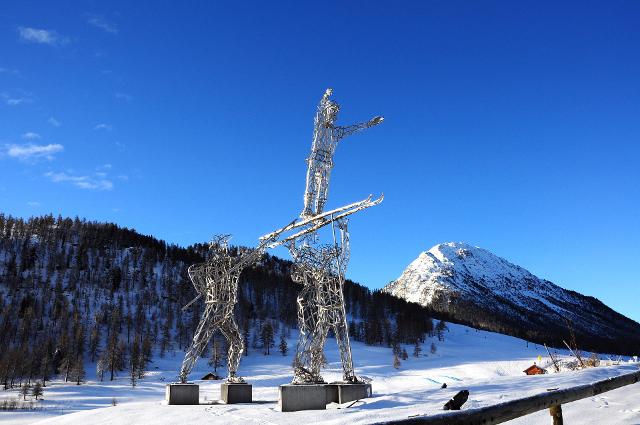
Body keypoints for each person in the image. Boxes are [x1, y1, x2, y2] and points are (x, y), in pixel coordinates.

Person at [301, 88, 383, 218]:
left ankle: (319, 213)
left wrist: (369, 124)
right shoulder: (320, 125)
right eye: (331, 111)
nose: (333, 114)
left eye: (335, 112)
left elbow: (354, 128)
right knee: (311, 184)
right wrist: (325, 97)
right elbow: (319, 111)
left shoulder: (337, 132)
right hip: (316, 158)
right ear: (326, 111)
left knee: (323, 187)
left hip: (327, 161)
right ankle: (307, 209)